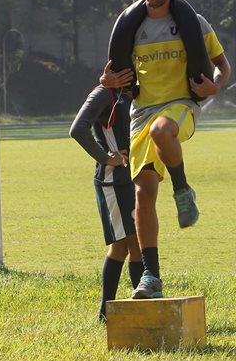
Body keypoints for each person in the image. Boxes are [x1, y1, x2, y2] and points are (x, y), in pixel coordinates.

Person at [101, 0, 231, 299]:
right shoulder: (131, 24)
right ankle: (151, 276)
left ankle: (183, 190)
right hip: (141, 114)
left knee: (163, 131)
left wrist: (214, 86)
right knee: (142, 195)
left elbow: (222, 66)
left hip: (180, 108)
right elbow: (110, 74)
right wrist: (107, 80)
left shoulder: (193, 22)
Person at [69, 86, 143, 320]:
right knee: (128, 244)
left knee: (134, 243)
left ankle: (118, 311)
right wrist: (107, 157)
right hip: (115, 180)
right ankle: (113, 311)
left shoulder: (137, 90)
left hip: (135, 177)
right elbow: (77, 129)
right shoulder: (105, 93)